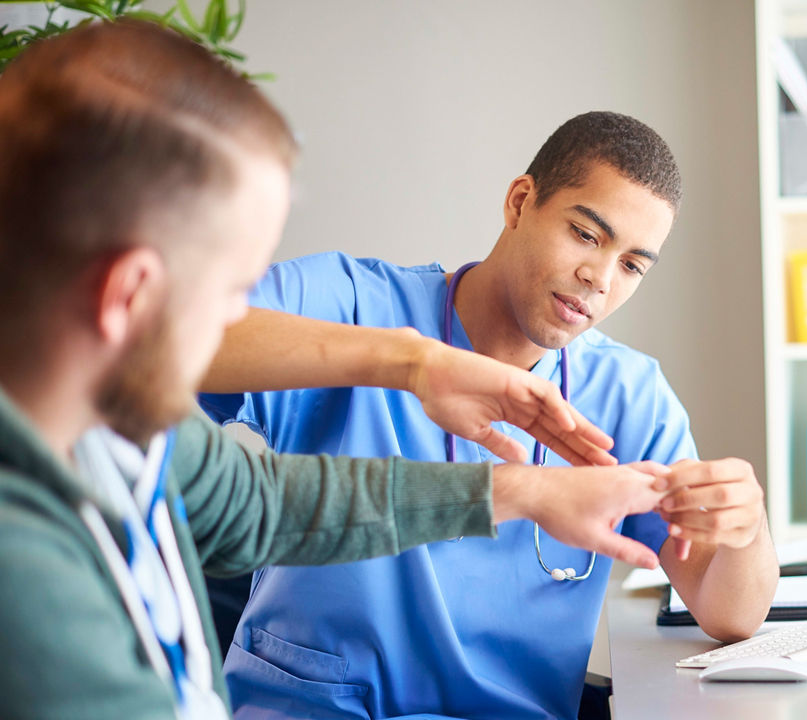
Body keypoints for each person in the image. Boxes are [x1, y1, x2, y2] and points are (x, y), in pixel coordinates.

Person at [0, 23, 677, 720]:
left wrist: (523, 491)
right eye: (233, 286)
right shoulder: (27, 574)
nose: (243, 313)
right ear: (130, 296)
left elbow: (260, 503)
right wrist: (412, 362)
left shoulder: (127, 434)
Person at [200, 111, 781, 719]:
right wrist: (409, 362)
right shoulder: (352, 301)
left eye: (633, 264)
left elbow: (730, 614)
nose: (600, 279)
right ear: (520, 201)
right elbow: (167, 341)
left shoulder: (628, 393)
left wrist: (746, 526)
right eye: (586, 235)